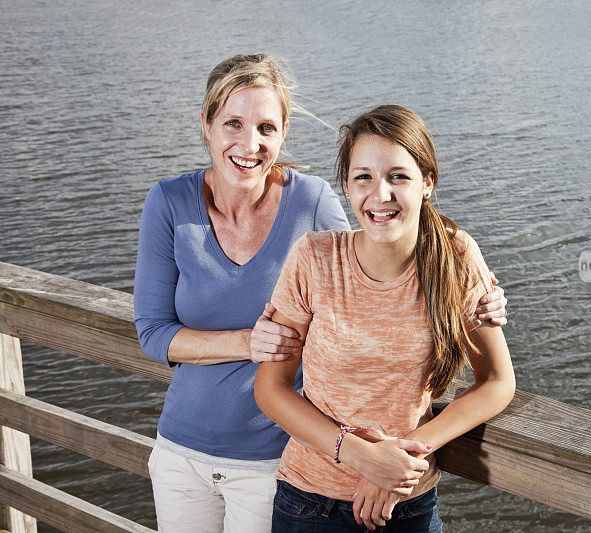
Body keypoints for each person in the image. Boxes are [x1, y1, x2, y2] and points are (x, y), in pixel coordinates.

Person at [133, 54, 508, 533]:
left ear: (284, 130)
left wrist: (476, 298)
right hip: (186, 446)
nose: (249, 143)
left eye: (266, 126)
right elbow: (152, 332)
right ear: (206, 124)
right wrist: (251, 342)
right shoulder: (169, 202)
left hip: (276, 455)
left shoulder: (310, 204)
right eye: (232, 123)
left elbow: (363, 274)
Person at [254, 104, 516, 532]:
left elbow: (497, 382)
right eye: (364, 177)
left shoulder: (456, 256)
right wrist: (360, 455)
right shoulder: (315, 257)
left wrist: (406, 457)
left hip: (407, 505)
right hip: (309, 505)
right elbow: (270, 388)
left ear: (427, 182)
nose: (380, 195)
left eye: (398, 176)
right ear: (347, 184)